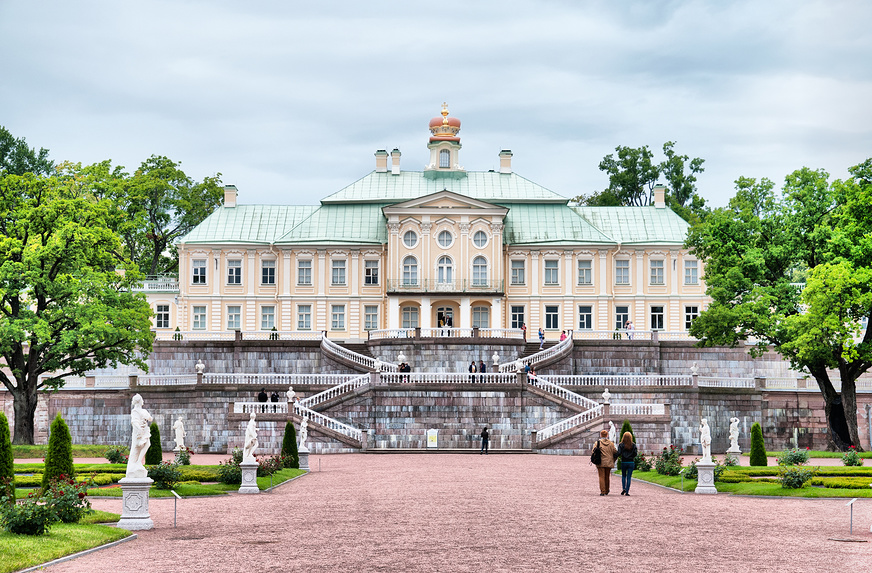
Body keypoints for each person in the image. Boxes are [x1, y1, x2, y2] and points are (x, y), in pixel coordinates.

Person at [126, 394, 153, 478]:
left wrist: (147, 416)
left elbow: (150, 418)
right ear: (139, 401)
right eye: (142, 400)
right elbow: (134, 422)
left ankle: (138, 462)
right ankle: (134, 465)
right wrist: (139, 429)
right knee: (136, 447)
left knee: (147, 444)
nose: (143, 401)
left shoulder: (143, 411)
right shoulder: (135, 411)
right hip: (138, 432)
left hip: (145, 430)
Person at [592, 429, 618, 496]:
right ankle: (606, 490)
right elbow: (615, 452)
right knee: (607, 476)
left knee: (601, 477)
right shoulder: (611, 443)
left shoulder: (597, 443)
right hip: (609, 462)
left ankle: (602, 491)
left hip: (600, 462)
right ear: (607, 435)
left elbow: (593, 452)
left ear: (601, 435)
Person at [616, 431, 638, 496]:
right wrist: (631, 457)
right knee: (629, 477)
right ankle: (627, 491)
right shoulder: (633, 445)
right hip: (631, 462)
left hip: (624, 461)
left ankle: (623, 488)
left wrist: (615, 456)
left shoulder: (621, 444)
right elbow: (635, 453)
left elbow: (619, 453)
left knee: (623, 476)